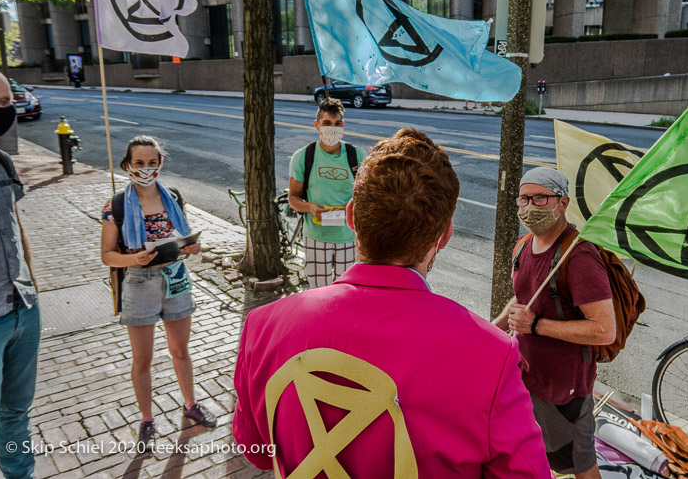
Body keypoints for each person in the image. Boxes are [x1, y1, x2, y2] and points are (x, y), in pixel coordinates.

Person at [234, 129, 551, 478]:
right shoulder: (493, 355)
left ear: (352, 217)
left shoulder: (262, 325)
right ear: (444, 236)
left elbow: (258, 453)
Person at [493, 167, 615, 479]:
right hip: (526, 379)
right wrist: (490, 333)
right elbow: (523, 302)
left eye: (541, 198)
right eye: (524, 199)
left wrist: (536, 326)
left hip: (567, 389)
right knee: (531, 452)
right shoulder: (523, 245)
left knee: (580, 464)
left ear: (563, 203)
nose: (530, 206)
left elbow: (603, 329)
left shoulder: (579, 255)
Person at [101, 136, 216, 452]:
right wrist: (132, 259)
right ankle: (147, 420)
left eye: (152, 163)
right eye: (139, 163)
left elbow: (184, 238)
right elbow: (108, 255)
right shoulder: (115, 207)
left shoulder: (173, 198)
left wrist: (192, 247)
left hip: (175, 278)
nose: (146, 169)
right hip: (139, 283)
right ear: (128, 166)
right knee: (143, 359)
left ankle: (190, 404)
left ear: (160, 164)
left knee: (181, 350)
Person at [0, 67, 39, 479]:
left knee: (17, 411)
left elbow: (17, 226)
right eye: (3, 103)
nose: (11, 110)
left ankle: (19, 473)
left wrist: (34, 289)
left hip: (22, 307)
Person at [287, 97, 366, 288]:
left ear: (343, 125)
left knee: (347, 291)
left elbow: (368, 198)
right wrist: (310, 207)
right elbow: (293, 198)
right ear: (317, 125)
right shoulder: (304, 156)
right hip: (316, 237)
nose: (333, 128)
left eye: (337, 123)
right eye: (327, 123)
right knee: (318, 292)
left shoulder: (357, 156)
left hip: (349, 239)